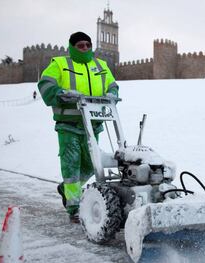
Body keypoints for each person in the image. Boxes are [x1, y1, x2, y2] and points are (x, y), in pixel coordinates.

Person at [37, 32, 119, 223]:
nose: (84, 48)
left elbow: (112, 84)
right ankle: (74, 206)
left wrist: (112, 93)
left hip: (93, 123)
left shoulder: (100, 65)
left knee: (92, 163)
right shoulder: (60, 64)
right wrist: (60, 93)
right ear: (72, 47)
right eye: (80, 45)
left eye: (87, 45)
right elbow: (45, 84)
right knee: (72, 164)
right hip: (69, 124)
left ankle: (66, 189)